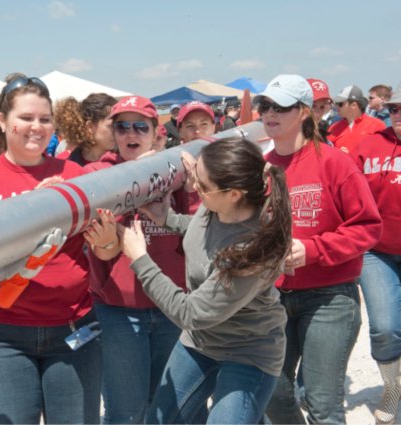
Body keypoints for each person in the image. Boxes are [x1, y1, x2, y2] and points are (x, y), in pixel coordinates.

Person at [0, 74, 101, 424]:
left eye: (45, 119)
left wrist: (108, 239)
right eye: (26, 118)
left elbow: (104, 249)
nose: (37, 127)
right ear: (2, 121)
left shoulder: (76, 173)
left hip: (74, 327)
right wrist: (32, 210)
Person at [120, 139, 291, 424]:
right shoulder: (216, 208)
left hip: (248, 351)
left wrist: (140, 258)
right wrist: (168, 219)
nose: (195, 187)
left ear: (234, 193)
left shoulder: (250, 250)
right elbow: (201, 232)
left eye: (202, 184)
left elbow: (190, 312)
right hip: (200, 343)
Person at [257, 74, 382, 424]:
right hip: (273, 298)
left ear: (304, 112)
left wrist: (312, 250)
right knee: (273, 395)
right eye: (266, 106)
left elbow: (368, 227)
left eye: (280, 107)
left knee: (323, 404)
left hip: (329, 297)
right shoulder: (261, 169)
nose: (270, 113)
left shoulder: (333, 162)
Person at [82, 95, 189, 424]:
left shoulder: (176, 168)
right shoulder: (96, 173)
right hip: (119, 310)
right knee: (125, 413)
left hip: (171, 306)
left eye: (140, 126)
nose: (131, 133)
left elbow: (199, 226)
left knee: (168, 408)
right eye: (122, 126)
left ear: (157, 131)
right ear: (112, 133)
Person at [351, 89, 401, 424]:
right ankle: (392, 388)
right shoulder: (368, 145)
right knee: (384, 327)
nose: (398, 114)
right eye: (395, 108)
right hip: (376, 251)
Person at [54, 93, 118, 166]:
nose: (119, 131)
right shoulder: (63, 164)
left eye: (121, 125)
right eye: (112, 126)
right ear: (90, 127)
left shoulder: (125, 160)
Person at [328, 84, 386, 154]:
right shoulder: (332, 128)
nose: (336, 106)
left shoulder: (377, 126)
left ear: (353, 105)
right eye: (336, 103)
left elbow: (383, 154)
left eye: (340, 104)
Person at [307, 78, 339, 142]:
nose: (318, 113)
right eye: (313, 106)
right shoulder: (285, 135)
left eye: (322, 107)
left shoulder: (325, 140)